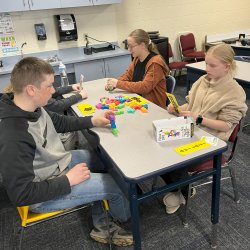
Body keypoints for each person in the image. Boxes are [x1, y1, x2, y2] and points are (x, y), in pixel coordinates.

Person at [0, 57, 133, 247]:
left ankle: (102, 224)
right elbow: (21, 194)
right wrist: (68, 180)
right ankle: (124, 227)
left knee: (107, 162)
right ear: (31, 89)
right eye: (50, 86)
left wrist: (92, 120)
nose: (54, 91)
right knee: (118, 187)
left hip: (55, 165)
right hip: (43, 192)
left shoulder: (30, 107)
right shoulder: (13, 135)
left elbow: (59, 122)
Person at [161, 43, 248, 214]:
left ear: (226, 66)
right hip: (191, 129)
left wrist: (199, 118)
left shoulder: (234, 92)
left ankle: (181, 190)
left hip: (211, 140)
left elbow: (226, 125)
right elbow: (191, 104)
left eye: (212, 65)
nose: (207, 68)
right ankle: (180, 186)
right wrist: (178, 107)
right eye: (206, 63)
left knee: (175, 158)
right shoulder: (203, 80)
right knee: (161, 147)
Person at [4, 83, 88, 150]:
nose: (51, 90)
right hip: (54, 150)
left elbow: (54, 91)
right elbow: (58, 105)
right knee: (76, 132)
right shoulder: (36, 104)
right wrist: (79, 96)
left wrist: (71, 87)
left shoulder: (21, 100)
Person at [105, 29, 169, 108]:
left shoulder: (155, 63)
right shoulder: (137, 59)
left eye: (131, 46)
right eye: (128, 46)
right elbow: (127, 75)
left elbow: (145, 87)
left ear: (142, 45)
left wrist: (118, 84)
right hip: (138, 102)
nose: (129, 49)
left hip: (153, 106)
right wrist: (113, 84)